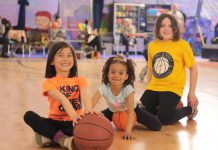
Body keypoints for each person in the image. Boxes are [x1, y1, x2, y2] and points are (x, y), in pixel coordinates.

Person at [23, 41, 93, 150]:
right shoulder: (49, 83)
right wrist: (73, 115)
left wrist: (88, 109)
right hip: (55, 122)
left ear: (74, 60)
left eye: (69, 55)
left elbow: (85, 95)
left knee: (94, 122)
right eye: (60, 55)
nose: (65, 59)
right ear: (52, 61)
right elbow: (63, 99)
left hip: (74, 123)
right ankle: (63, 140)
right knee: (29, 115)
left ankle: (49, 137)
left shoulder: (81, 80)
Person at [139, 13, 199, 125]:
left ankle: (190, 110)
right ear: (158, 28)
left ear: (175, 29)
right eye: (162, 26)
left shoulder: (183, 45)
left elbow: (193, 69)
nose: (166, 28)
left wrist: (191, 92)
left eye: (170, 26)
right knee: (139, 112)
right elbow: (151, 70)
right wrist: (148, 89)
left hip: (172, 88)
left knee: (164, 119)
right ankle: (168, 108)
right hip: (154, 87)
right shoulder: (152, 45)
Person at [91, 56, 162, 140]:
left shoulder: (128, 89)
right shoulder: (104, 87)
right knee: (94, 123)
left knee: (157, 125)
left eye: (121, 73)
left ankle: (154, 109)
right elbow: (90, 104)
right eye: (113, 72)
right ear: (108, 74)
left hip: (132, 109)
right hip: (113, 109)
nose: (116, 75)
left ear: (126, 76)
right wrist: (89, 112)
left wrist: (128, 131)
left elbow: (131, 112)